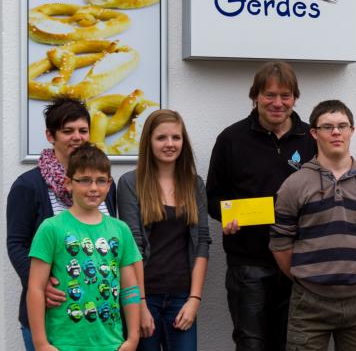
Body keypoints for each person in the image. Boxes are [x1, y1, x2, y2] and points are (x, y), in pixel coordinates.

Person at [206, 61, 317, 351]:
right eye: (270, 95)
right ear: (255, 96)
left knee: (293, 344)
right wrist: (227, 216)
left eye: (285, 95)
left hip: (298, 263)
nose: (278, 103)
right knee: (251, 344)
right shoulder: (231, 139)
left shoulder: (311, 139)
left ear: (295, 98)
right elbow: (213, 198)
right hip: (249, 264)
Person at [270, 100, 356, 351]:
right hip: (309, 303)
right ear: (314, 133)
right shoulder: (294, 184)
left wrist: (355, 267)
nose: (336, 132)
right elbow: (280, 243)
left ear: (352, 131)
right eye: (327, 127)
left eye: (342, 126)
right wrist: (307, 277)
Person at [7, 97, 117, 351]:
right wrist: (40, 283)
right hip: (50, 314)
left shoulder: (105, 186)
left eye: (83, 130)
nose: (77, 137)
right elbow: (16, 243)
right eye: (68, 131)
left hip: (98, 322)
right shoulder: (28, 186)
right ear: (50, 135)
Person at [26, 143, 142, 351]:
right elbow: (35, 288)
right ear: (68, 183)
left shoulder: (121, 230)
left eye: (101, 181)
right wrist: (41, 343)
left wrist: (133, 338)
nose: (94, 188)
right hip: (63, 344)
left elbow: (130, 287)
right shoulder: (51, 228)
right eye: (85, 180)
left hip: (111, 343)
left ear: (109, 184)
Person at [117, 110, 211, 351]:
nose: (170, 144)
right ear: (148, 141)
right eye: (161, 138)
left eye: (176, 137)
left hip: (182, 296)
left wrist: (194, 299)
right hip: (145, 296)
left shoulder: (194, 184)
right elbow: (132, 246)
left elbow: (202, 242)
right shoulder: (130, 183)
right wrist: (139, 303)